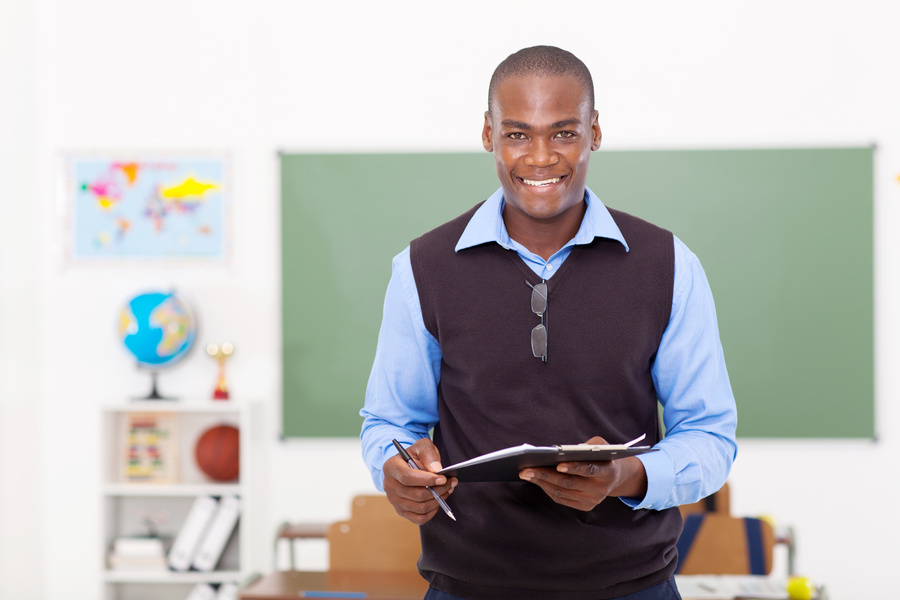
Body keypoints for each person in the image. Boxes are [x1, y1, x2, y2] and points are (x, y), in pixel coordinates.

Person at [360, 45, 737, 600]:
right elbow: (388, 422)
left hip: (632, 588)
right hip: (468, 587)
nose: (540, 157)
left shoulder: (669, 264)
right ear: (488, 133)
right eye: (518, 134)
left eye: (563, 133)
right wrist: (398, 470)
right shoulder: (422, 267)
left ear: (595, 132)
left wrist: (625, 478)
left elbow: (709, 435)